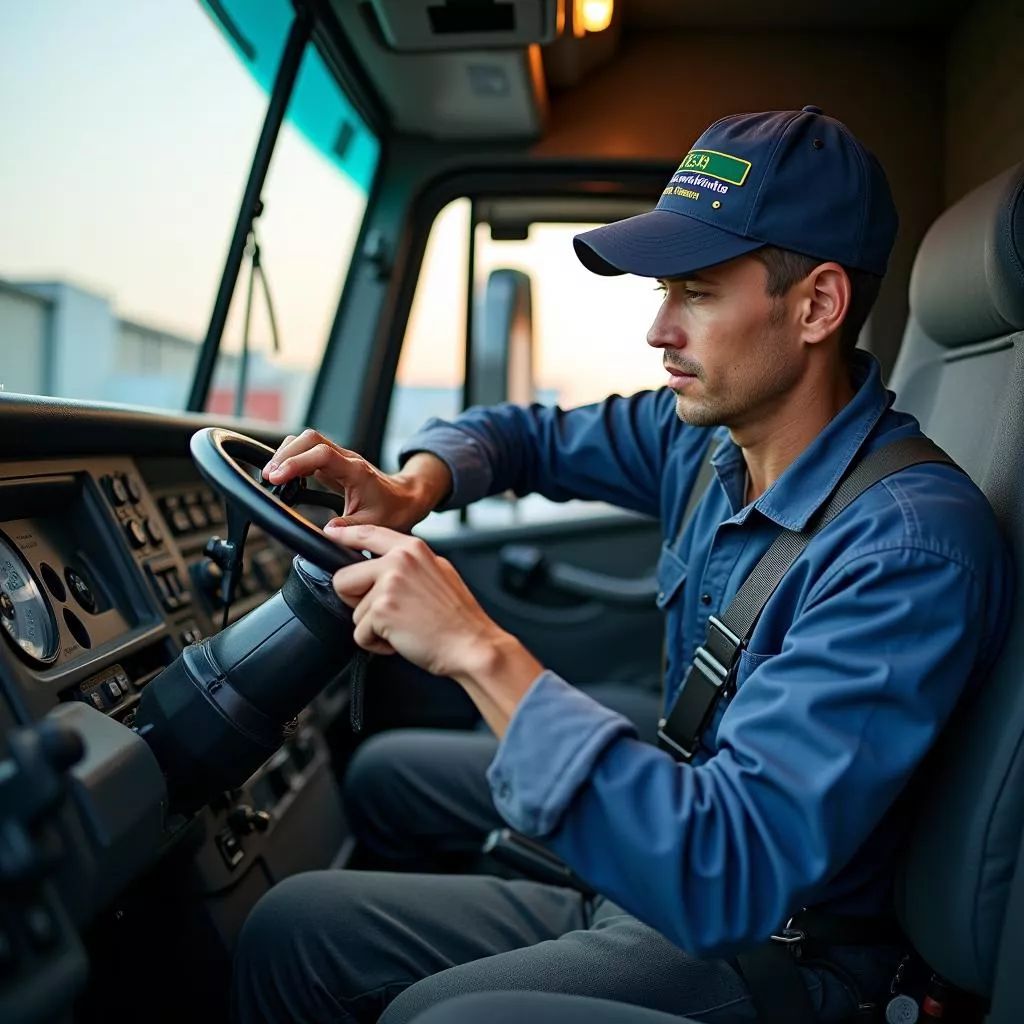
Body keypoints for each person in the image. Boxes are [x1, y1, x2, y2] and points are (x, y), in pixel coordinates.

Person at [231, 107, 1014, 1023]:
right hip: (677, 845)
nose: (657, 329)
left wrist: (477, 650)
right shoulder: (709, 441)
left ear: (817, 306)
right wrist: (414, 485)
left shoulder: (907, 550)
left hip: (781, 948)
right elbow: (520, 438)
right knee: (291, 926)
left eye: (696, 292)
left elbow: (731, 869)